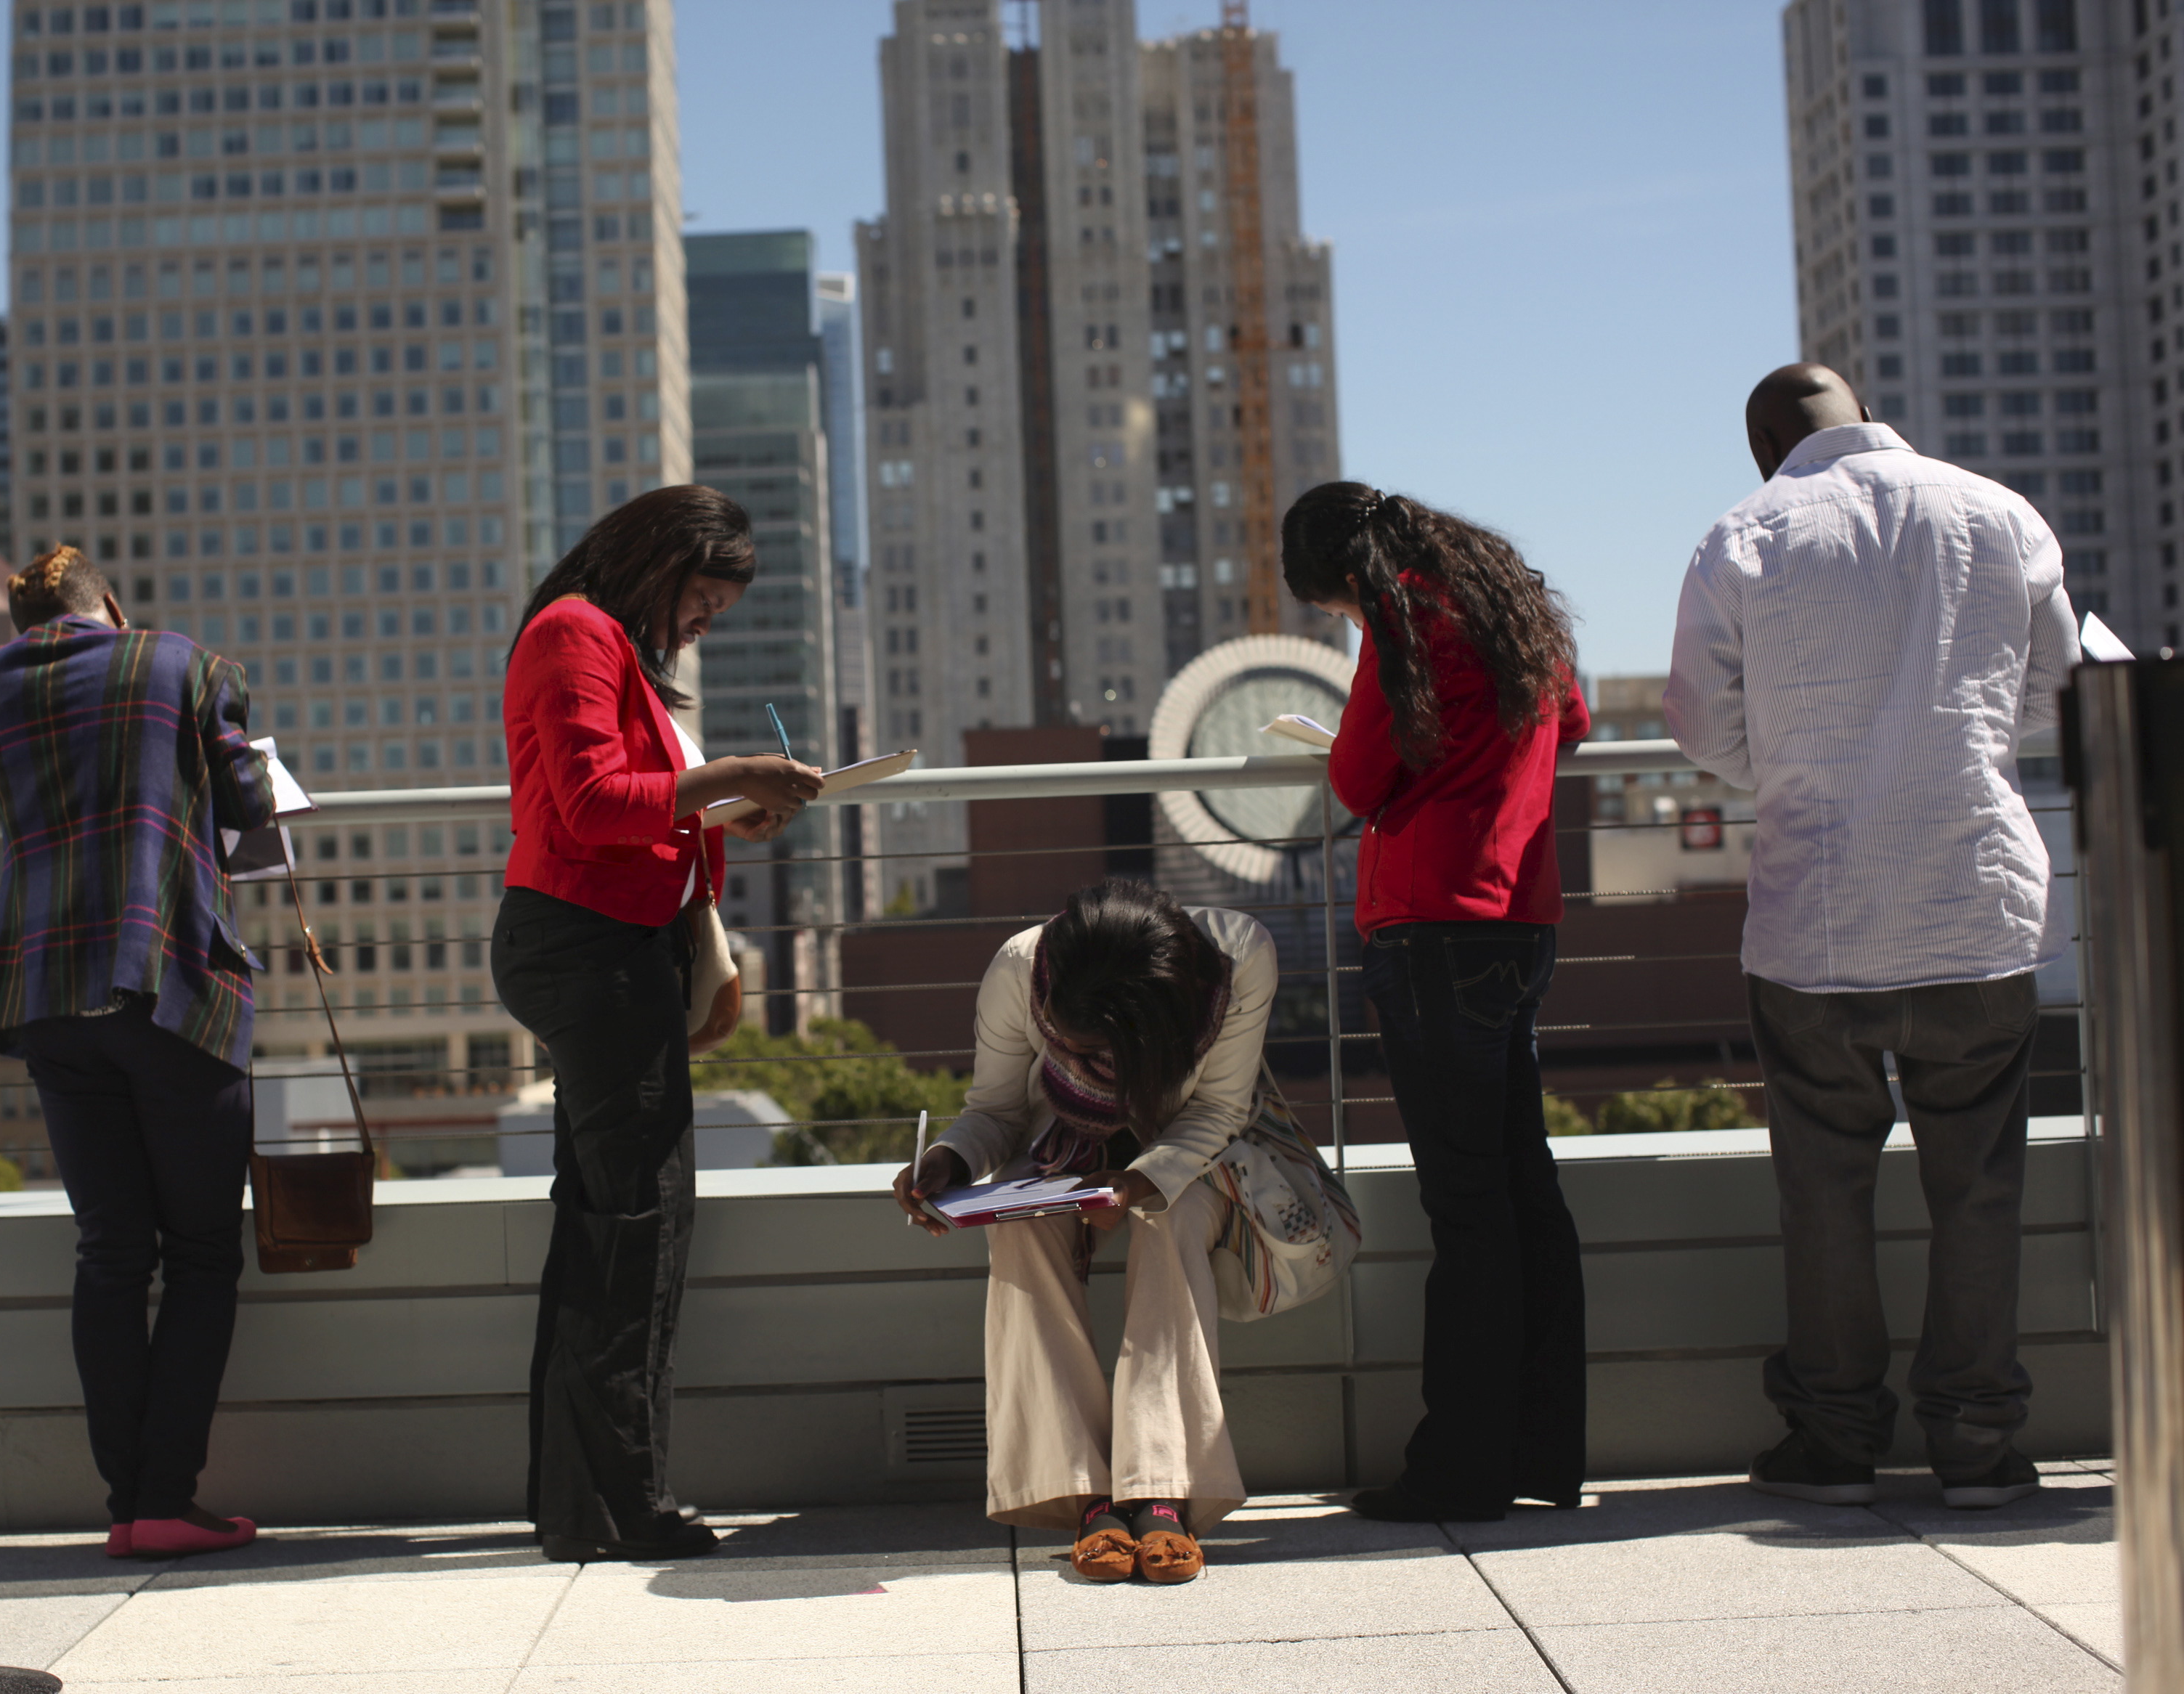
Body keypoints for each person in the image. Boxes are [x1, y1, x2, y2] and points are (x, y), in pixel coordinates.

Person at [1667, 365, 2081, 1511]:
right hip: (1975, 904)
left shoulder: (1743, 533)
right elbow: (2057, 687)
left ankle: (1839, 1441)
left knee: (1825, 1192)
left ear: (1767, 446)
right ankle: (1978, 1442)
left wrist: (1795, 772)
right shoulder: (1996, 511)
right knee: (1981, 1189)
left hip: (1819, 918)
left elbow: (1701, 723)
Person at [0, 545, 272, 1560]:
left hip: (46, 990)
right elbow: (249, 798)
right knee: (201, 1253)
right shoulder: (180, 663)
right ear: (110, 604)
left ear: (26, 621)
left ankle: (129, 1502)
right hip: (168, 980)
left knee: (112, 1250)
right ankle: (168, 1494)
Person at [493, 484, 824, 1563]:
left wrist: (726, 806)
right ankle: (622, 1505)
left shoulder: (597, 639)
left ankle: (584, 1504)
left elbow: (626, 799)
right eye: (702, 601)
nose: (702, 625)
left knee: (612, 1225)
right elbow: (592, 803)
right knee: (637, 1229)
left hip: (605, 947)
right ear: (656, 563)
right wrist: (726, 777)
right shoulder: (573, 634)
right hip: (588, 950)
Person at [1282, 481, 1592, 1523]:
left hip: (1431, 928)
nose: (1345, 618)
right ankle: (1542, 1448)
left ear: (1347, 579)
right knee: (1522, 1186)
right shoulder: (1508, 605)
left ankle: (1459, 1465)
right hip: (1520, 917)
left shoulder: (1404, 617)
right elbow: (1576, 722)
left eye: (1333, 604)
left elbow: (1361, 780)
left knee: (1466, 1207)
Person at [893, 879, 1280, 1585]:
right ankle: (1085, 1493)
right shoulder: (1019, 968)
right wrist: (947, 1160)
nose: (1073, 1052)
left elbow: (1219, 1106)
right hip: (1059, 1153)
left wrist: (1136, 1180)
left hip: (1187, 1156)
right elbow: (996, 1110)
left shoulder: (1237, 957)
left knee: (1169, 1217)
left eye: (1092, 1045)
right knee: (1019, 1232)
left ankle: (1158, 1488)